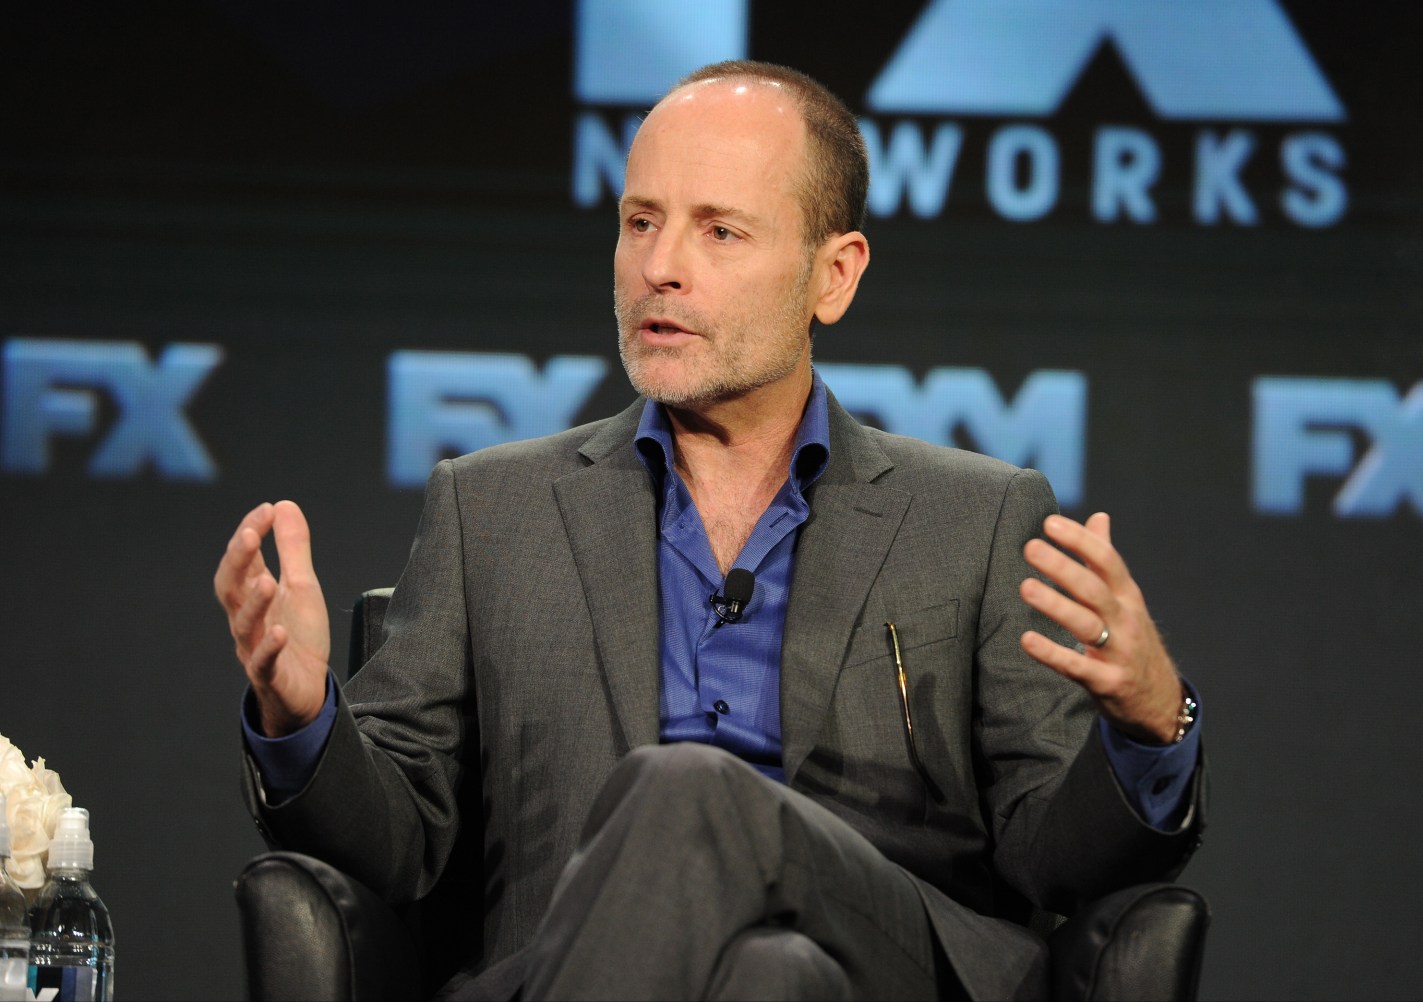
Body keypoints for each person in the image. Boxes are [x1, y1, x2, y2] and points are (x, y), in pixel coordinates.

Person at [215, 61, 1203, 1001]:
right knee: (774, 979)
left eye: (719, 233)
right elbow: (397, 840)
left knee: (694, 794)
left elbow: (1051, 854)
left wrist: (1153, 729)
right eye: (640, 222)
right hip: (608, 968)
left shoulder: (976, 518)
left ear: (835, 276)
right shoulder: (492, 511)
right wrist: (304, 718)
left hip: (887, 964)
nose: (660, 268)